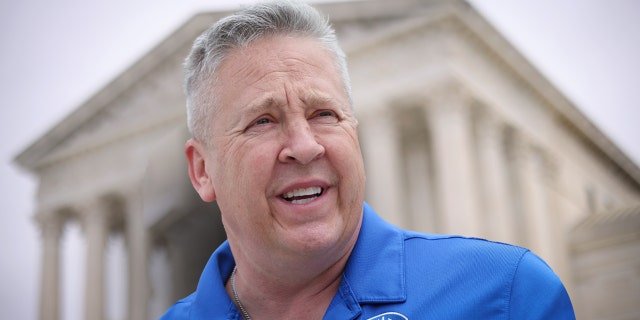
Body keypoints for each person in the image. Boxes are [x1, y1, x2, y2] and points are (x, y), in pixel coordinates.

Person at [161, 1, 575, 319]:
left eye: (324, 114)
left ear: (353, 133)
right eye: (263, 121)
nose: (305, 146)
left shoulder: (504, 294)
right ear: (202, 170)